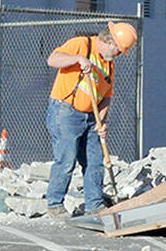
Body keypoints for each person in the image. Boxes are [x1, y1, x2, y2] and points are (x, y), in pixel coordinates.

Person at [45, 21, 138, 220]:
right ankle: (55, 205)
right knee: (66, 159)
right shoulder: (82, 45)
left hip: (90, 117)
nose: (119, 55)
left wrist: (101, 123)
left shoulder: (108, 65)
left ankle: (94, 205)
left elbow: (106, 96)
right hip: (66, 112)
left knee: (95, 161)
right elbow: (52, 60)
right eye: (119, 50)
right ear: (111, 42)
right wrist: (78, 59)